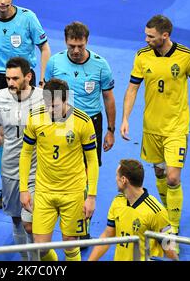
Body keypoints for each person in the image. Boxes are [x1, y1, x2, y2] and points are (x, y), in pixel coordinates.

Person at [120, 15, 190, 241]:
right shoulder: (142, 56)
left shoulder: (187, 57)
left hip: (176, 128)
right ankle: (168, 216)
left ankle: (174, 228)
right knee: (159, 173)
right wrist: (125, 118)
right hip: (151, 128)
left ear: (165, 35)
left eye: (150, 36)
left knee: (172, 178)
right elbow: (132, 89)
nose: (146, 39)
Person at [0, 0, 51, 208]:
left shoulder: (28, 18)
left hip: (26, 77)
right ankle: (6, 185)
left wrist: (42, 81)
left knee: (30, 129)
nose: (2, 1)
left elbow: (45, 48)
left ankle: (34, 183)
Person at [44, 21, 116, 243]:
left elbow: (108, 99)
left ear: (87, 41)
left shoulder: (101, 65)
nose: (75, 51)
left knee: (85, 174)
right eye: (71, 45)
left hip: (91, 123)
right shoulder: (54, 62)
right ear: (66, 42)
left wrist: (111, 130)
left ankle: (80, 224)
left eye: (80, 46)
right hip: (61, 122)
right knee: (62, 168)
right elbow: (46, 94)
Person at [19, 78, 99, 261]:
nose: (49, 110)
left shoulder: (83, 122)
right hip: (44, 191)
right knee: (41, 249)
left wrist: (92, 196)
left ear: (65, 100)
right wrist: (24, 189)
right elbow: (25, 154)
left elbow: (92, 160)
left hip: (73, 192)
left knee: (70, 244)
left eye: (54, 105)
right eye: (46, 104)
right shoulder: (35, 117)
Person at [0, 57, 43, 261]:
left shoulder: (44, 98)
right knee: (16, 220)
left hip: (37, 169)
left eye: (15, 78)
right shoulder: (0, 97)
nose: (11, 83)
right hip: (10, 168)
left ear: (28, 77)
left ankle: (36, 263)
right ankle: (25, 260)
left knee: (30, 223)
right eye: (8, 79)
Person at [88, 159, 178, 261]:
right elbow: (108, 234)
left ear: (123, 180)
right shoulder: (117, 202)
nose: (115, 179)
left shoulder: (157, 212)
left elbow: (170, 249)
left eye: (116, 176)